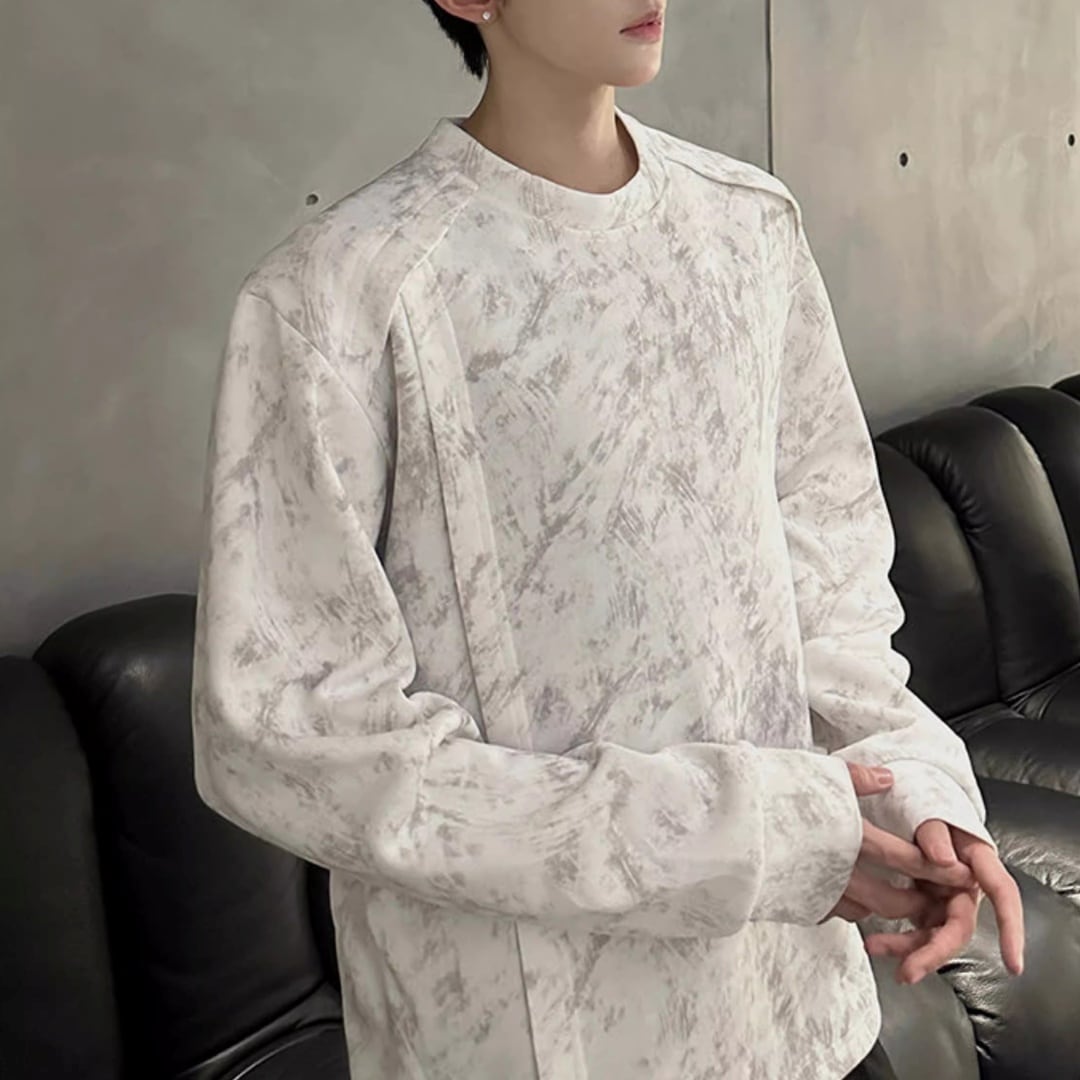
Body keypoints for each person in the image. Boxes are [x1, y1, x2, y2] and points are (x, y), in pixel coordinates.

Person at [190, 1, 1025, 1076]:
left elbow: (830, 581)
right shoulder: (339, 294)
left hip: (799, 1012)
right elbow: (288, 739)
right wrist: (738, 837)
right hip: (528, 1033)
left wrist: (915, 787)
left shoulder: (746, 228)